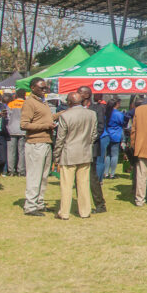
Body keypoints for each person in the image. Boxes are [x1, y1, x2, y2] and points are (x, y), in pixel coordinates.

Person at [53, 92, 97, 220]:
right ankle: (85, 211)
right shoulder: (91, 114)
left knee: (66, 185)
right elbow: (94, 134)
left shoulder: (65, 116)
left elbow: (60, 138)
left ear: (69, 102)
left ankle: (64, 212)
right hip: (85, 152)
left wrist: (56, 156)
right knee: (84, 184)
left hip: (69, 153)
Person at [20, 77, 56, 216]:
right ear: (33, 88)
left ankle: (39, 203)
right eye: (42, 88)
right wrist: (45, 126)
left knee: (44, 176)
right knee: (35, 175)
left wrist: (62, 114)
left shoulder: (43, 102)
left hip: (46, 141)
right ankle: (30, 206)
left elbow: (48, 119)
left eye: (45, 88)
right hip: (35, 143)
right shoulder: (29, 103)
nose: (44, 90)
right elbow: (24, 124)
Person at [77, 86, 108, 213]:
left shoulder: (97, 109)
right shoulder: (75, 109)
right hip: (77, 147)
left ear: (87, 95)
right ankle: (82, 203)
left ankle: (100, 204)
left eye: (80, 92)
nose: (78, 94)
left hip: (91, 146)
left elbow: (100, 128)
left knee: (92, 177)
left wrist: (89, 140)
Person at [99, 97, 125, 180]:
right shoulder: (118, 114)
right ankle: (112, 174)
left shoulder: (106, 113)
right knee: (114, 155)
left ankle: (106, 173)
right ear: (117, 104)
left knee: (107, 155)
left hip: (107, 134)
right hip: (116, 135)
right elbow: (123, 123)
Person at [6, 89, 26, 177]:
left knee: (11, 151)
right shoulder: (26, 104)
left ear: (16, 95)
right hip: (23, 130)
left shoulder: (11, 104)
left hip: (11, 130)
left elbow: (7, 116)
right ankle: (21, 171)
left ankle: (11, 170)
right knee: (21, 152)